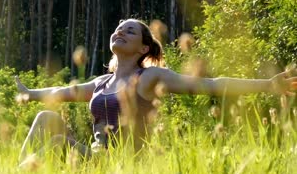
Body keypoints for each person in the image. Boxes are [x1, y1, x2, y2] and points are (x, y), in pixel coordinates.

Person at [16, 18, 297, 162]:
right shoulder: (101, 83)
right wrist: (30, 93)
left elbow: (212, 84)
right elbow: (64, 90)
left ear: (143, 48)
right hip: (93, 156)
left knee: (56, 144)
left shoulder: (148, 77)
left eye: (129, 31)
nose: (120, 32)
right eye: (118, 29)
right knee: (45, 118)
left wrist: (267, 85)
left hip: (121, 163)